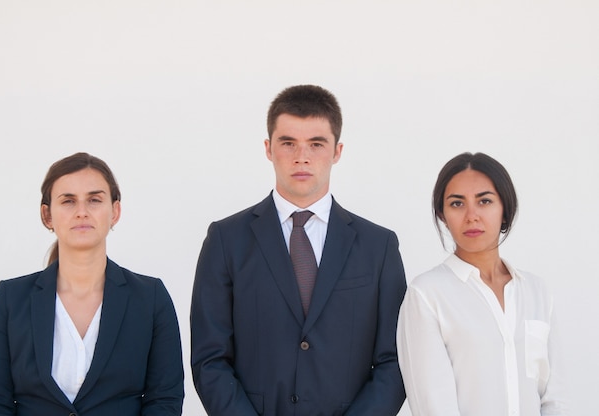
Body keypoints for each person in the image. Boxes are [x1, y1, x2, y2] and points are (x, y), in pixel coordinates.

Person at [190, 85, 407, 415]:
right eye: (288, 143)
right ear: (268, 148)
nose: (301, 157)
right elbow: (209, 358)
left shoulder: (379, 247)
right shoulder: (225, 240)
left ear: (337, 151)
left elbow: (395, 361)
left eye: (316, 144)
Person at [0, 152, 184, 415]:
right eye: (68, 201)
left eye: (94, 200)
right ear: (47, 215)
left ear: (115, 211)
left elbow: (164, 399)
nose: (82, 212)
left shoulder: (150, 298)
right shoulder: (10, 299)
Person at [397, 152, 567, 415]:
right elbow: (434, 405)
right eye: (457, 204)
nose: (471, 216)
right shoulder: (427, 295)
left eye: (485, 201)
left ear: (505, 209)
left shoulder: (536, 292)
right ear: (442, 215)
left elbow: (553, 397)